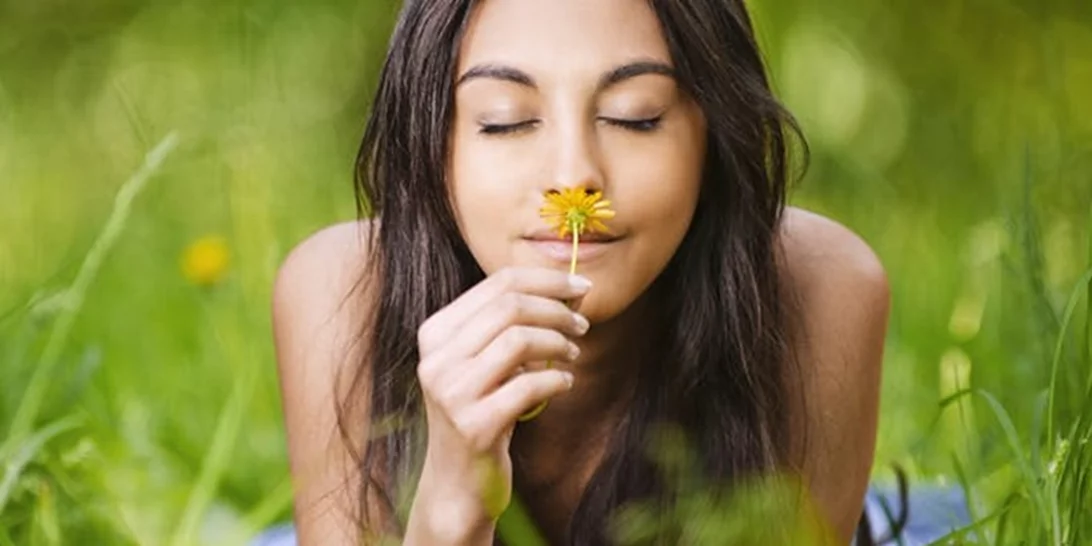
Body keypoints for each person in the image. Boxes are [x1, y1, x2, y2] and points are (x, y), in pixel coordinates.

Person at [270, 0, 899, 544]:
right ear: (434, 142)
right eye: (505, 120)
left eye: (636, 115)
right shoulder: (341, 290)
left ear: (715, 133)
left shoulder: (824, 287)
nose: (572, 177)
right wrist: (449, 510)